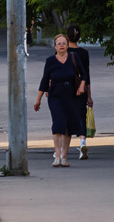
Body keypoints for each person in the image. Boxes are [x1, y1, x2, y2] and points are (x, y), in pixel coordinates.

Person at [34, 33, 86, 167]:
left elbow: (84, 74)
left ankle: (64, 157)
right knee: (58, 124)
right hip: (55, 96)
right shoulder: (50, 60)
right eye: (59, 43)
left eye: (64, 43)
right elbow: (45, 80)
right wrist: (38, 99)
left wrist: (81, 87)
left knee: (68, 126)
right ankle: (57, 156)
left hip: (71, 95)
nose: (61, 45)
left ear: (68, 45)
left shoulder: (74, 57)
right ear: (55, 46)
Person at [67, 24, 93, 159]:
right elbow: (86, 75)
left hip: (65, 89)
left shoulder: (62, 52)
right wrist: (89, 96)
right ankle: (82, 141)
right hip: (81, 88)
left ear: (67, 37)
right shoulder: (84, 53)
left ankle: (61, 148)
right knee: (81, 115)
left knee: (65, 116)